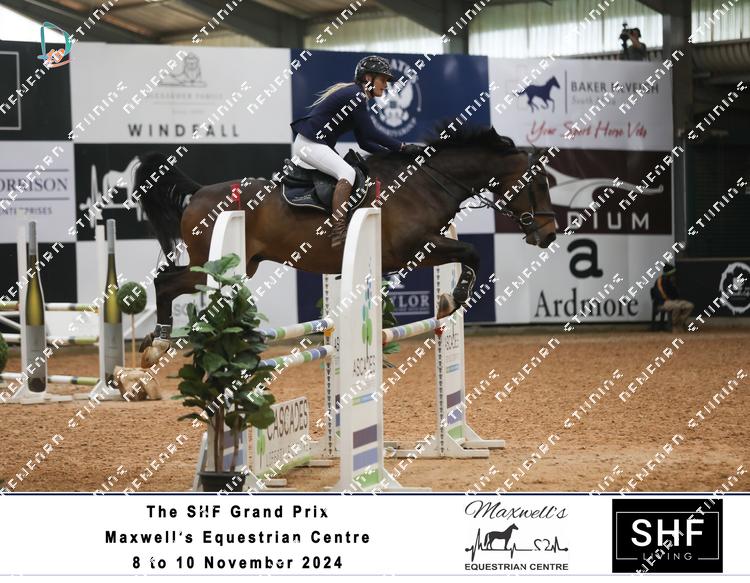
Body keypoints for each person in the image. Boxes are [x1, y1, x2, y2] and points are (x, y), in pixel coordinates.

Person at [290, 55, 423, 246]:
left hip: (313, 143)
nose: (386, 85)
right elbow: (371, 132)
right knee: (347, 173)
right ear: (368, 78)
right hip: (309, 144)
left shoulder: (357, 96)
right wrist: (401, 147)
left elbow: (364, 142)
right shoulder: (356, 95)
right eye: (383, 79)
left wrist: (393, 156)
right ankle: (338, 231)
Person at [653, 263, 694, 331]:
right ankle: (674, 325)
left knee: (690, 306)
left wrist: (674, 286)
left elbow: (676, 294)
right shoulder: (660, 280)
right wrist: (671, 300)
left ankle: (679, 323)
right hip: (663, 302)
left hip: (675, 301)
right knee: (676, 306)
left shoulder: (672, 280)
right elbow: (661, 294)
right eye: (672, 273)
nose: (674, 275)